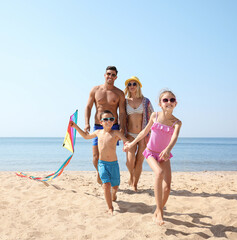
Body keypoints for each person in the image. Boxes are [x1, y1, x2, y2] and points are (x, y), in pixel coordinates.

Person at [124, 90, 182, 225]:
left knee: (167, 187)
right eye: (165, 100)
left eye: (172, 100)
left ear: (176, 103)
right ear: (160, 104)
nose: (169, 102)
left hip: (164, 155)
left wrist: (168, 149)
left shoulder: (177, 122)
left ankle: (157, 209)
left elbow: (174, 138)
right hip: (150, 152)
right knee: (159, 173)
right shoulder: (154, 116)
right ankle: (161, 212)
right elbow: (144, 132)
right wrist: (132, 143)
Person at [70, 110, 129, 215]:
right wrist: (75, 126)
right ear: (101, 122)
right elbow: (85, 136)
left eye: (111, 119)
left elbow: (125, 140)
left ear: (114, 121)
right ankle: (110, 208)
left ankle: (114, 195)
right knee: (106, 185)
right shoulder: (98, 132)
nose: (108, 121)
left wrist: (126, 145)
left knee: (115, 186)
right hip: (102, 164)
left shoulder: (116, 133)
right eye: (105, 119)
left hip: (114, 164)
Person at [85, 66, 126, 184]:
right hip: (98, 125)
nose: (110, 76)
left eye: (113, 75)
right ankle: (100, 172)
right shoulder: (95, 90)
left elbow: (122, 112)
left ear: (116, 77)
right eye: (108, 74)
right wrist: (87, 123)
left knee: (109, 154)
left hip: (113, 126)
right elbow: (88, 107)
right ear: (104, 75)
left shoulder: (119, 93)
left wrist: (122, 127)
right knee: (95, 156)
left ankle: (107, 177)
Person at [124, 76, 154, 191]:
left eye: (134, 84)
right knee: (130, 161)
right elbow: (121, 116)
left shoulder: (146, 101)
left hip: (143, 134)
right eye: (129, 84)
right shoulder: (125, 101)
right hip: (130, 135)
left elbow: (153, 115)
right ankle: (131, 176)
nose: (132, 86)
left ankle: (135, 184)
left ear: (138, 86)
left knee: (139, 160)